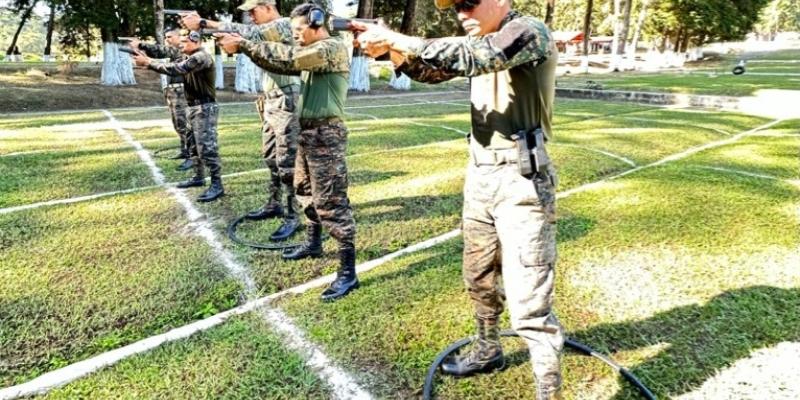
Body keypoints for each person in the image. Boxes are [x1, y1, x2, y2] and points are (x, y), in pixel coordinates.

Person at [355, 0, 564, 398]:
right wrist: (393, 53)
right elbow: (434, 72)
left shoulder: (526, 31)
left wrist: (399, 37)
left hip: (522, 183)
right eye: (456, 7)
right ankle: (488, 349)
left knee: (529, 301)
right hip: (482, 175)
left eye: (469, 3)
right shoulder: (483, 37)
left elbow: (474, 56)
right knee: (479, 275)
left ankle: (548, 392)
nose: (461, 13)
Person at [217, 3, 359, 302]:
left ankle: (348, 272)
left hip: (325, 135)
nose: (295, 36)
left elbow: (289, 60)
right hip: (308, 131)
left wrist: (243, 44)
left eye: (299, 30)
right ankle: (313, 243)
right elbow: (277, 62)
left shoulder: (331, 48)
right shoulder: (316, 48)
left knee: (331, 202)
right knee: (304, 190)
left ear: (317, 25)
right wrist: (246, 45)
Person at [182, 0, 302, 241]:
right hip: (271, 100)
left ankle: (294, 214)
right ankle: (274, 204)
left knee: (288, 162)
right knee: (271, 158)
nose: (251, 17)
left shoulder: (285, 25)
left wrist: (204, 23)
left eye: (253, 11)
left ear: (269, 6)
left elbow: (250, 33)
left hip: (288, 98)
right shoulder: (268, 31)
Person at [132, 31, 225, 203]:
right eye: (180, 41)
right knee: (193, 144)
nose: (181, 44)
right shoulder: (188, 56)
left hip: (204, 107)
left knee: (207, 148)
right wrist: (144, 53)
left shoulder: (200, 57)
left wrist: (149, 62)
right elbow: (168, 57)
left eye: (184, 41)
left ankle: (217, 184)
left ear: (196, 41)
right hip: (193, 106)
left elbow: (177, 69)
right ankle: (198, 177)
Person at [130, 29, 195, 172]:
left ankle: (192, 157)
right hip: (172, 91)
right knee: (178, 124)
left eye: (170, 37)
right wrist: (141, 54)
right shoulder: (174, 52)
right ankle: (185, 151)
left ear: (179, 37)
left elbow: (160, 51)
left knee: (185, 125)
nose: (167, 39)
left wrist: (141, 44)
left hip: (181, 91)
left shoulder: (182, 49)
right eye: (166, 37)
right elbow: (160, 60)